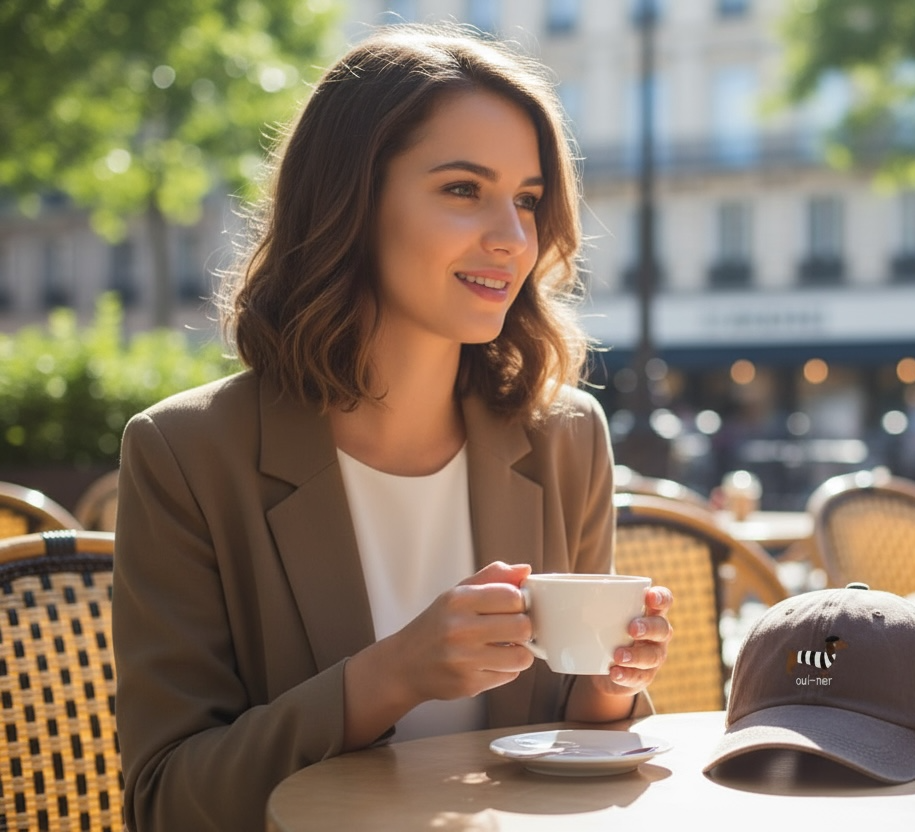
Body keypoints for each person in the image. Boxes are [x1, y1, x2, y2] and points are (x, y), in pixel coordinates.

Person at [112, 25, 672, 832]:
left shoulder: (565, 437)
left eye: (526, 199)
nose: (513, 239)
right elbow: (166, 801)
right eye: (461, 189)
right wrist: (389, 677)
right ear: (348, 199)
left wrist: (611, 684)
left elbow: (575, 754)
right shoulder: (186, 455)